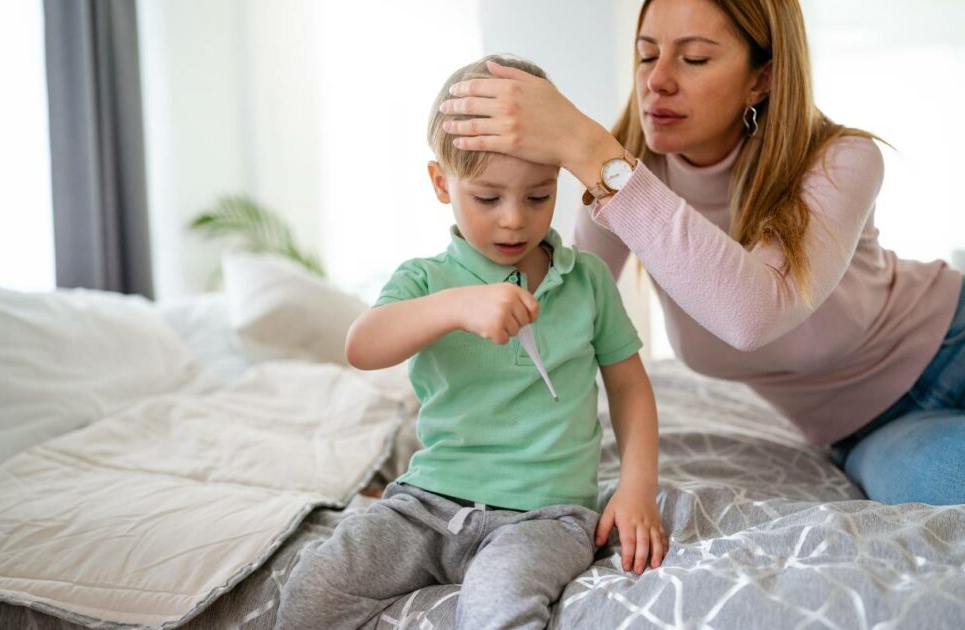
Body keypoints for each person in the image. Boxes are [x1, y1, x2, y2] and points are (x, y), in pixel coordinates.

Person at [439, 0, 964, 506]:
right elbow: (551, 317)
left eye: (693, 59)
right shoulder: (628, 184)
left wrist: (588, 146)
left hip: (951, 336)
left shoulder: (842, 160)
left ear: (762, 78)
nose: (656, 80)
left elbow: (755, 313)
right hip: (871, 428)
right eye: (647, 55)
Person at [276, 55, 665, 630]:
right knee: (315, 586)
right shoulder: (425, 280)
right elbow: (363, 347)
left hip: (546, 516)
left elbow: (630, 388)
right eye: (487, 198)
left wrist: (636, 489)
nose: (514, 221)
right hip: (426, 506)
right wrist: (454, 307)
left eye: (537, 196)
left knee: (497, 604)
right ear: (441, 183)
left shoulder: (586, 281)